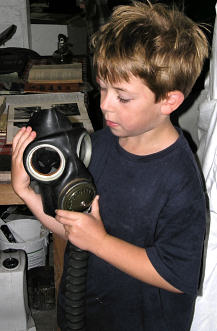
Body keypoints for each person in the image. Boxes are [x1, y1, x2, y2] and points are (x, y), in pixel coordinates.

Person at [11, 1, 209, 330]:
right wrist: (26, 191)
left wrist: (100, 242)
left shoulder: (180, 181)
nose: (104, 105)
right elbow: (78, 231)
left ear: (169, 100)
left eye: (123, 96)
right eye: (102, 88)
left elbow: (177, 276)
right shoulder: (101, 145)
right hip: (92, 314)